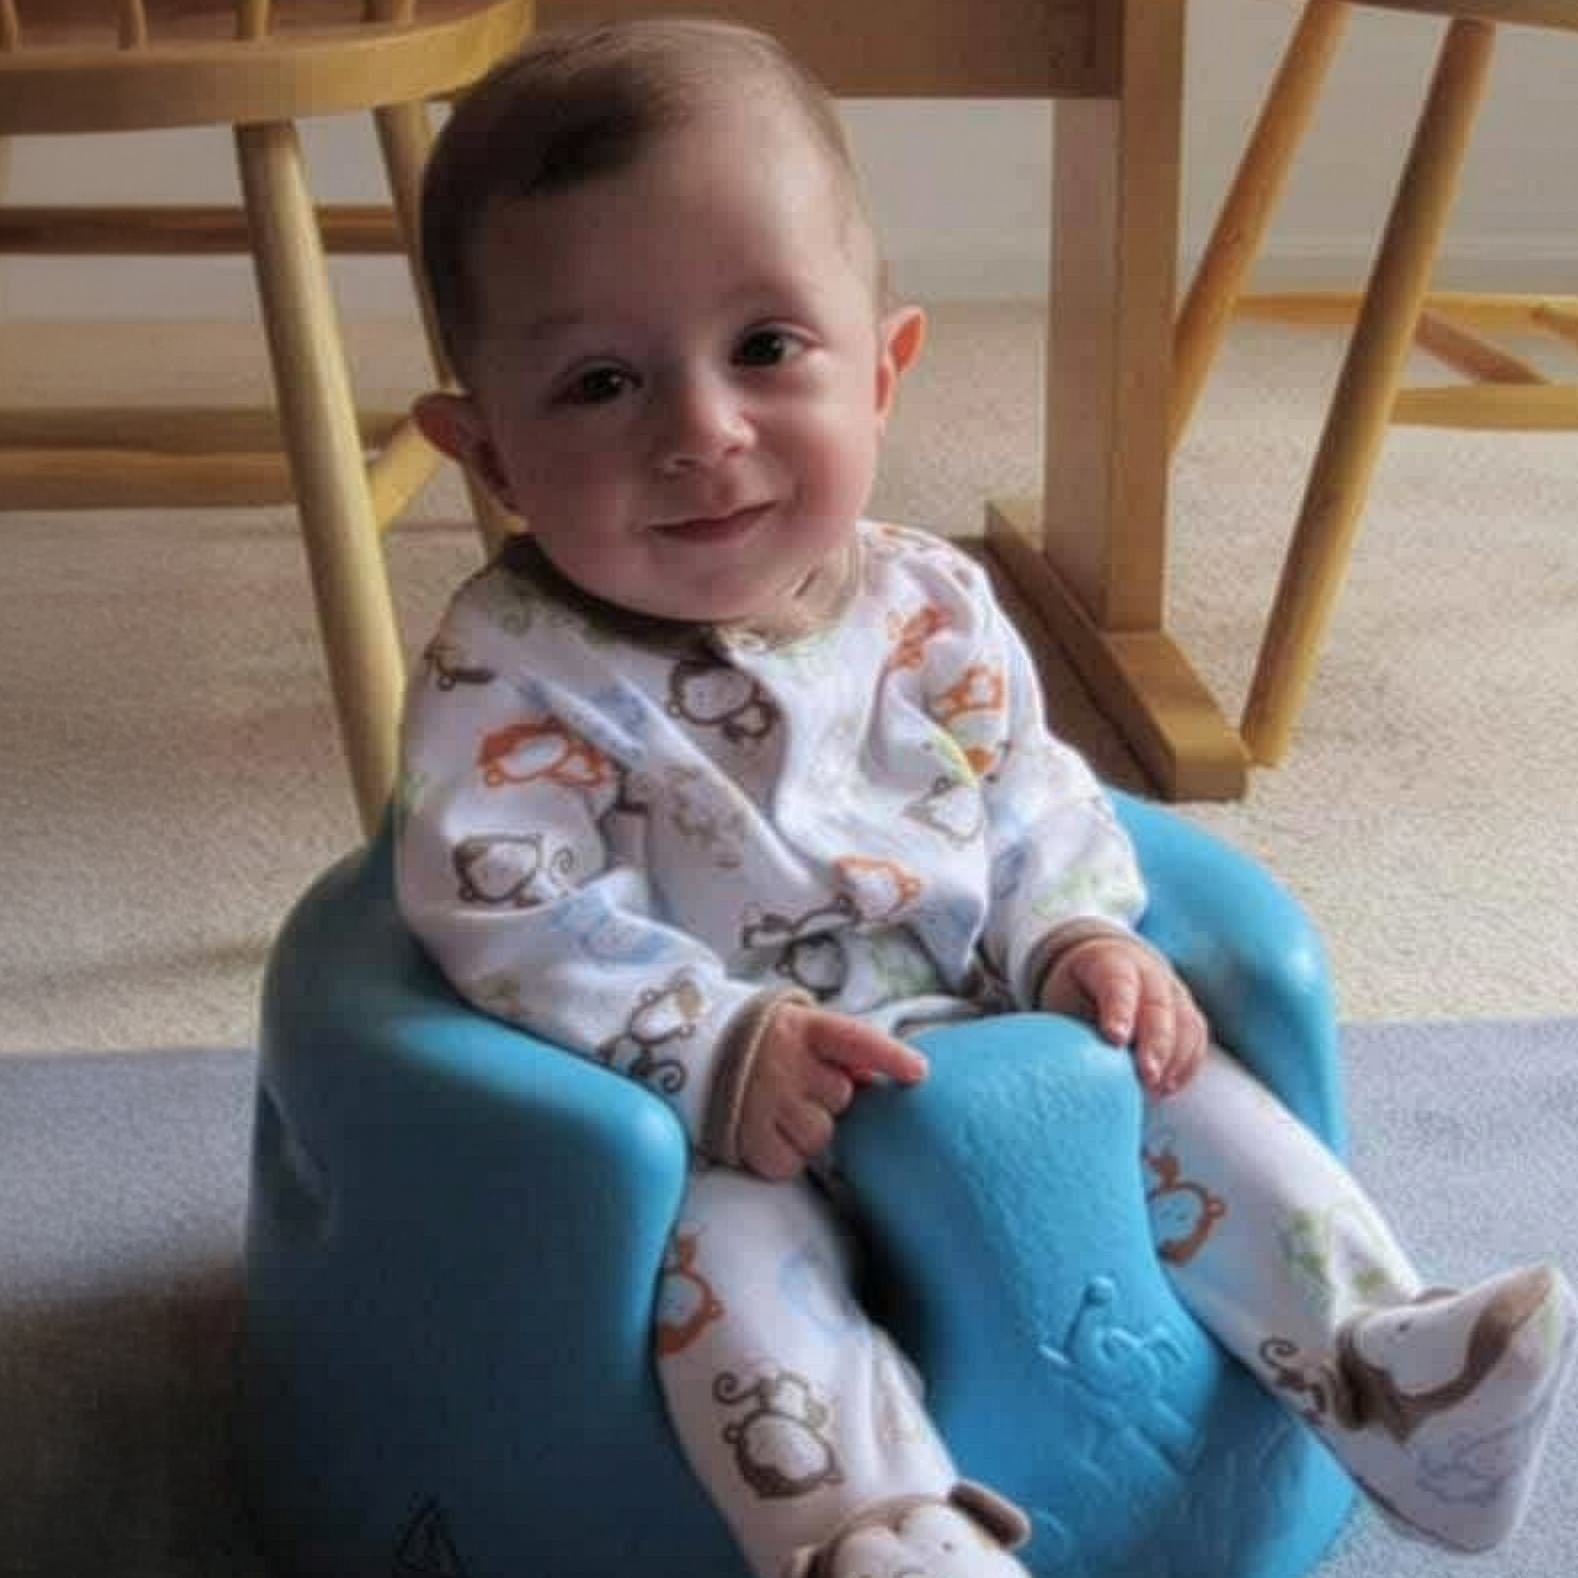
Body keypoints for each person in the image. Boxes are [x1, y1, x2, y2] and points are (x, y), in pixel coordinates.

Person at [394, 20, 1575, 1578]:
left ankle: (1383, 1374)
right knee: (730, 1290)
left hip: (982, 1017)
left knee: (1194, 1089)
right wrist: (709, 1043)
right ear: (485, 452)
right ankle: (878, 1534)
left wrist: (1072, 937)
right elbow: (504, 903)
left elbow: (1029, 795)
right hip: (710, 1109)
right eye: (601, 382)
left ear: (882, 368)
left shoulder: (928, 601)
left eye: (764, 349)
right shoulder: (513, 663)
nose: (699, 431)